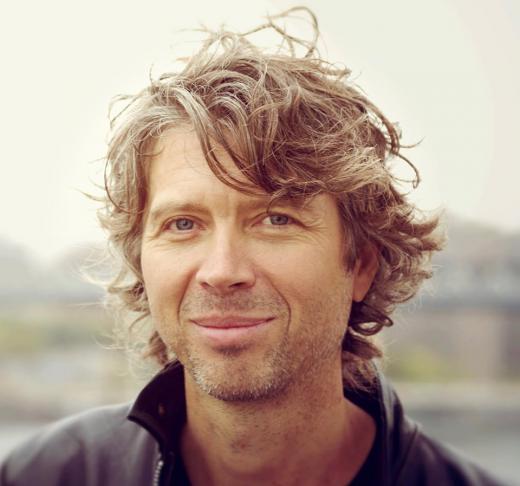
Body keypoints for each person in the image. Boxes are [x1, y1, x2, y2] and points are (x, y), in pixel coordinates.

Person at [0, 7, 509, 486]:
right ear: (141, 261)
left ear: (361, 264)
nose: (221, 271)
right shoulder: (42, 474)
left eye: (275, 219)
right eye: (182, 224)